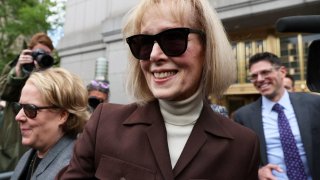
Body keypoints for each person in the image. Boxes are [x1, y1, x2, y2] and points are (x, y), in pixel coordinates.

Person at [57, 0, 260, 179]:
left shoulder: (244, 145)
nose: (154, 55)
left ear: (208, 47)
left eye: (173, 39)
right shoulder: (104, 123)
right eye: (143, 43)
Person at [234, 52, 320, 180]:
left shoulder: (314, 104)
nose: (259, 79)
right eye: (254, 76)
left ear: (283, 72)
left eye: (265, 72)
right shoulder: (243, 116)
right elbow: (239, 159)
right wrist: (258, 172)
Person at [10, 68, 89, 180]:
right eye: (19, 107)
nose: (18, 117)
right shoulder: (32, 154)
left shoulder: (71, 169)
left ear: (62, 115)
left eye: (30, 109)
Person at [0, 32, 55, 172]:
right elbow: (3, 92)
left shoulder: (54, 74)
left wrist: (41, 72)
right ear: (29, 52)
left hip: (42, 134)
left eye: (47, 53)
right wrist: (18, 71)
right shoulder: (15, 66)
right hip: (14, 134)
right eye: (39, 52)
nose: (42, 56)